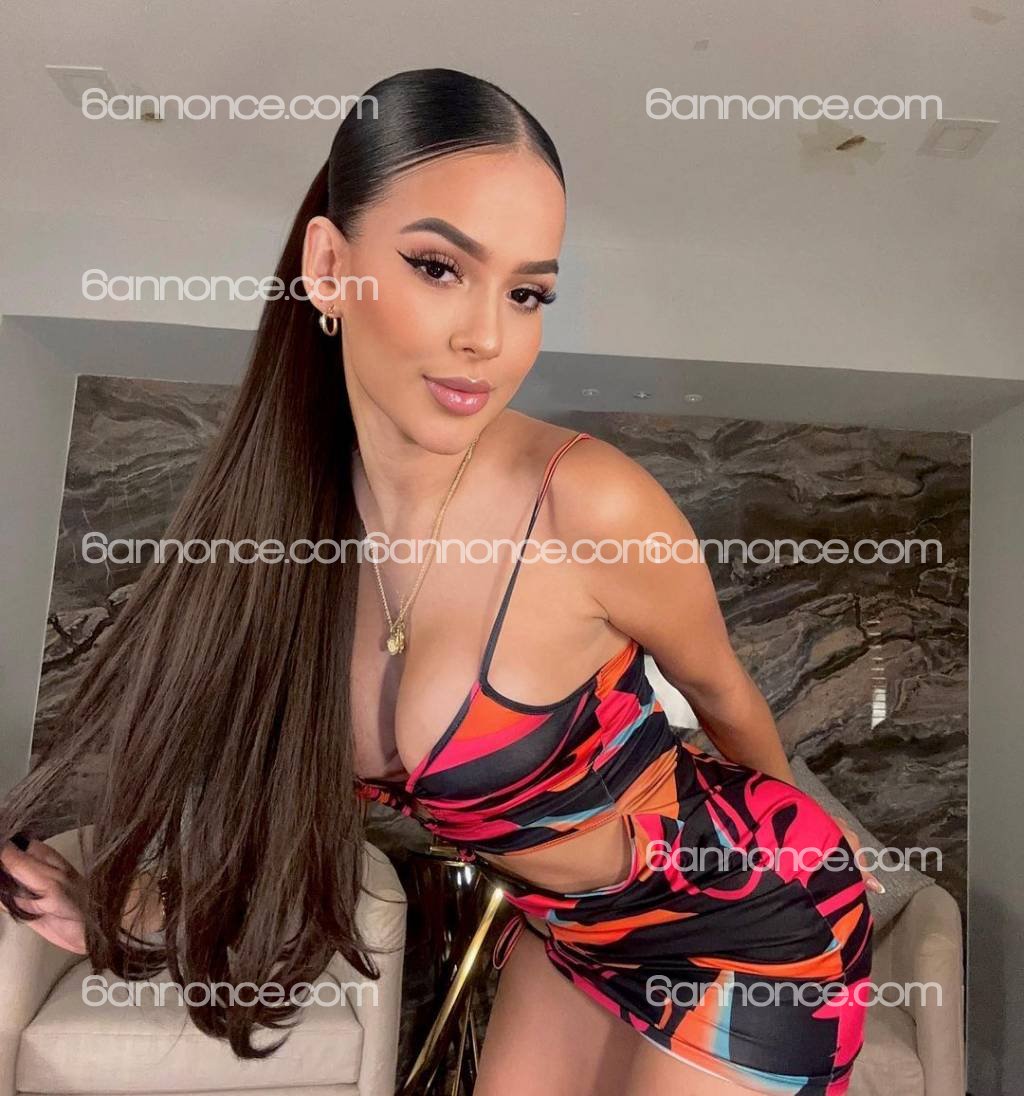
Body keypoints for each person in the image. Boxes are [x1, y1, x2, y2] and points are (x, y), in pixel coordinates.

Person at [1, 67, 875, 1094]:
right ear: (328, 266)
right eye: (437, 267)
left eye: (527, 293)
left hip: (753, 918)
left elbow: (724, 693)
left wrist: (807, 877)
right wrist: (122, 908)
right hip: (571, 932)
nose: (487, 338)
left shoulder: (588, 504)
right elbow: (278, 829)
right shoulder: (282, 550)